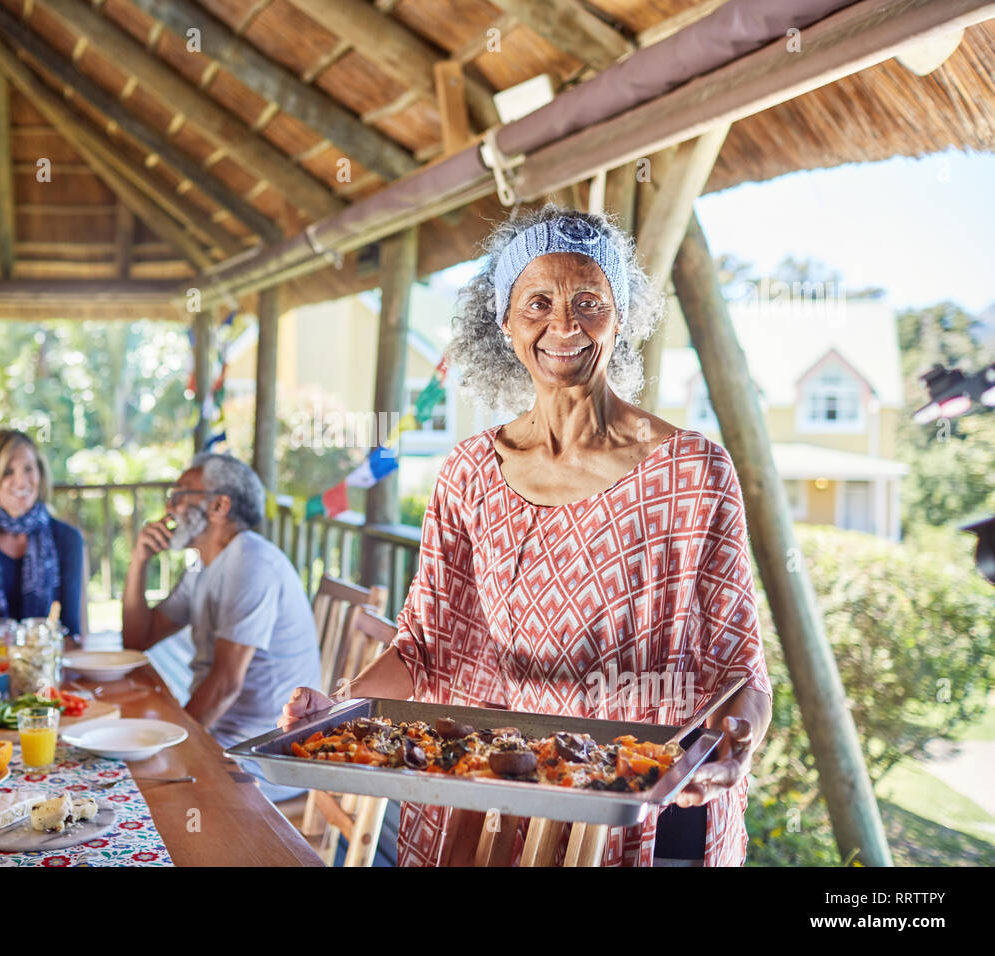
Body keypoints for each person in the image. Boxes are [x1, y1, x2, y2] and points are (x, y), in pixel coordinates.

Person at [281, 205, 772, 866]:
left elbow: (742, 671)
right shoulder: (467, 475)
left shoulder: (692, 472)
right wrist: (337, 712)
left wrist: (741, 743)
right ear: (506, 325)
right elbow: (424, 648)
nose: (563, 324)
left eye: (588, 301)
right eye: (537, 302)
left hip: (650, 813)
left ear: (620, 317)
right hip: (501, 811)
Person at [122, 453, 320, 802]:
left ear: (219, 505)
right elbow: (138, 638)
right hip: (222, 733)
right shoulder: (204, 566)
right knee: (122, 759)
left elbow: (225, 684)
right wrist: (138, 561)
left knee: (138, 786)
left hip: (266, 755)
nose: (170, 505)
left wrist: (171, 744)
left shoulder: (251, 564)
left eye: (181, 494)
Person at [0, 430, 83, 642]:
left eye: (29, 469)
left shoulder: (68, 539)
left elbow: (70, 633)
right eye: (8, 472)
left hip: (46, 667)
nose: (22, 482)